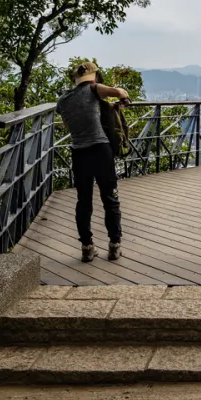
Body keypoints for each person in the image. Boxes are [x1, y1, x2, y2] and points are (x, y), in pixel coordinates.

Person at [56, 60, 131, 262]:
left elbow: (76, 116)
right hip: (100, 150)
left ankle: (87, 247)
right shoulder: (93, 89)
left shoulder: (63, 100)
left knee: (84, 201)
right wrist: (122, 98)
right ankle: (115, 245)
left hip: (79, 153)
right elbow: (119, 92)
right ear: (94, 77)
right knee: (110, 198)